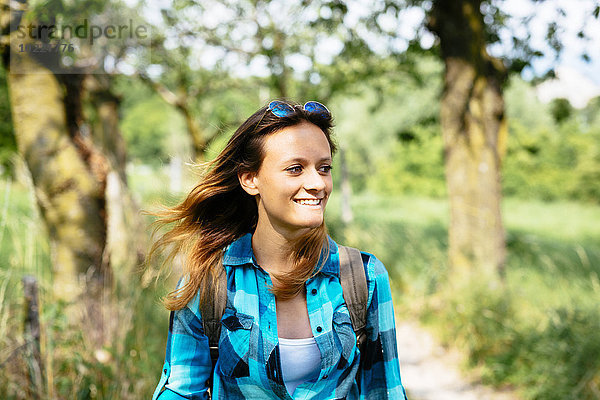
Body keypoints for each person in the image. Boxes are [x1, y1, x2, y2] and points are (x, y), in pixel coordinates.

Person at [148, 100, 407, 399]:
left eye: (324, 168)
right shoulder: (209, 283)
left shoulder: (364, 277)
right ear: (250, 179)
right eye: (295, 169)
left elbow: (385, 391)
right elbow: (181, 391)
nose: (316, 183)